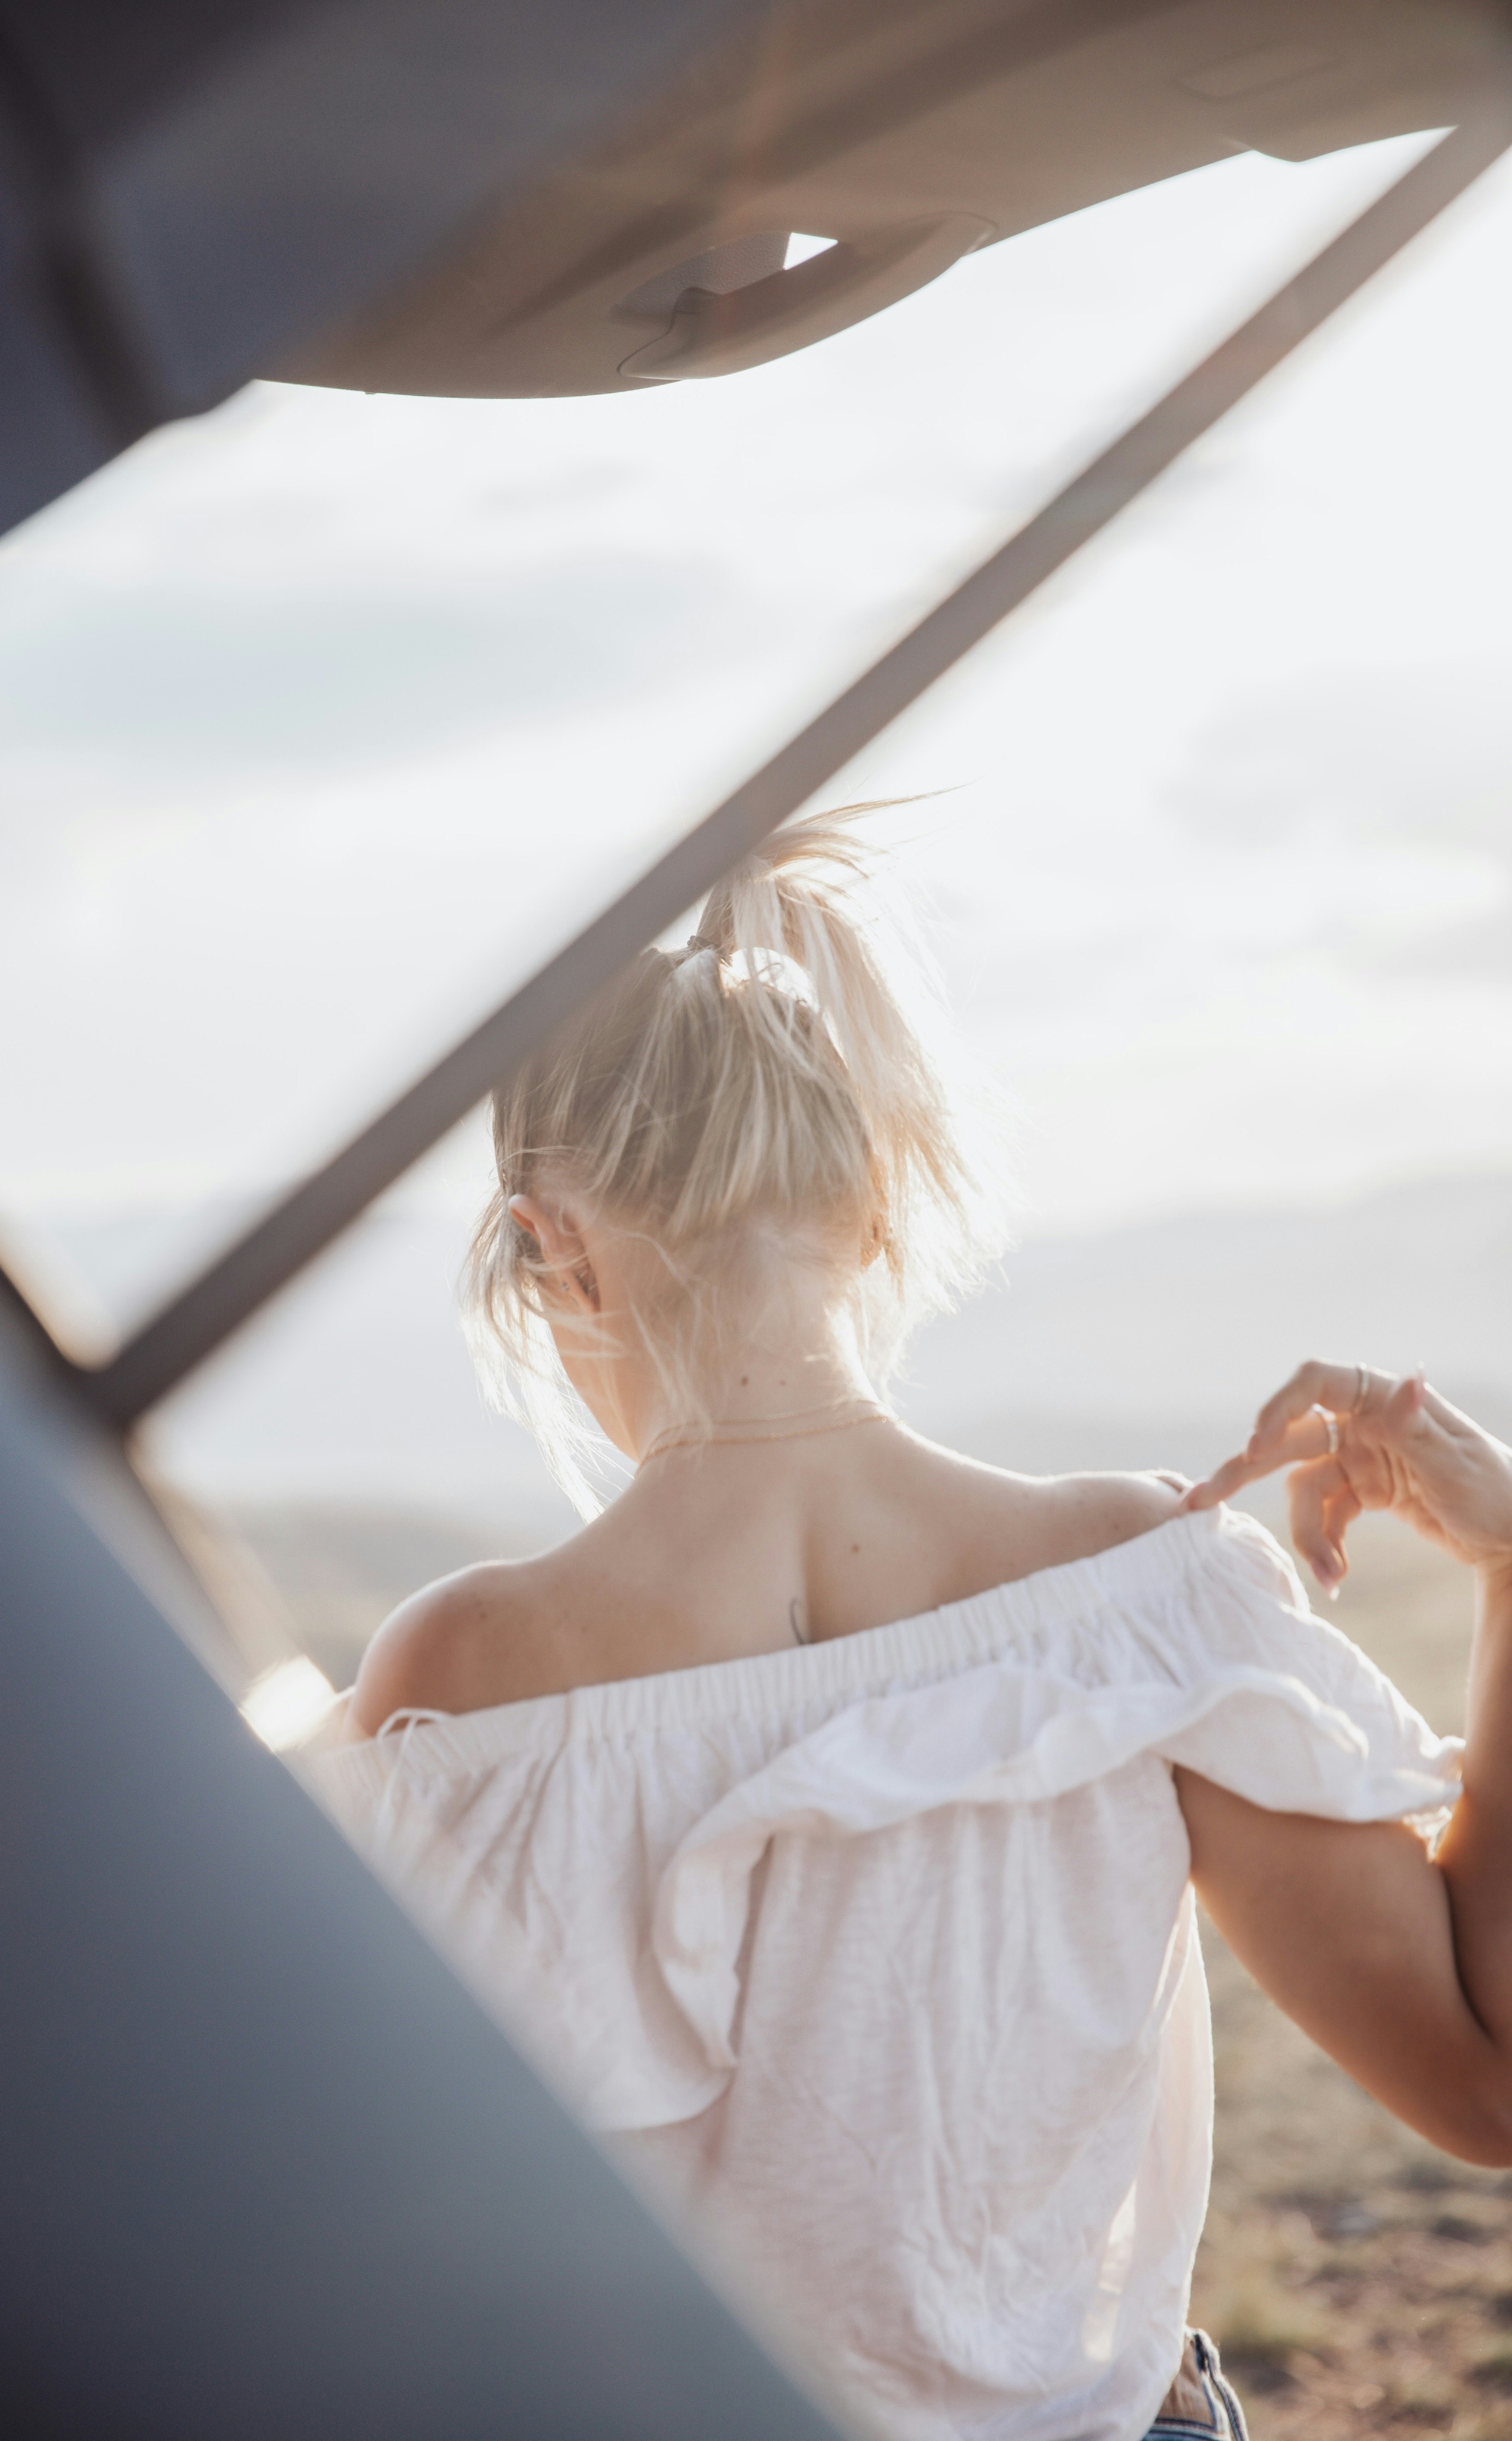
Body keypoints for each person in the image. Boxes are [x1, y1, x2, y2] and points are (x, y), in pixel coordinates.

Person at [302, 814, 1512, 2441]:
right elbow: (1483, 2081)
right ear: (875, 1197)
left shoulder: (464, 1676)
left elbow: (410, 2247)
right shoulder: (1148, 1585)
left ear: (548, 1245)